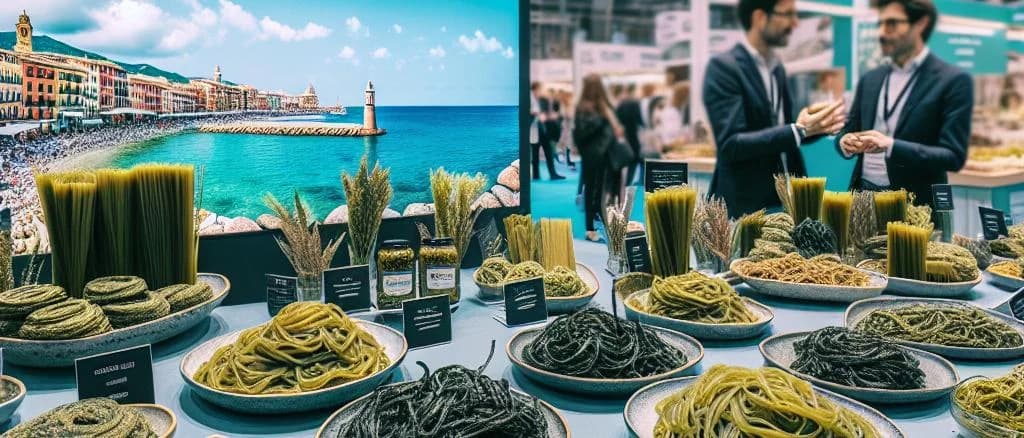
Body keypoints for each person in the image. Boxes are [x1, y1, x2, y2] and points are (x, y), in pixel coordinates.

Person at [703, 0, 846, 218]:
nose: (795, 23)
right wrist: (798, 130)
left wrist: (815, 126)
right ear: (760, 17)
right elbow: (731, 144)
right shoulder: (724, 68)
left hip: (780, 201)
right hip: (743, 208)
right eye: (788, 14)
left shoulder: (776, 68)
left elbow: (783, 132)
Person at [837, 0, 971, 203]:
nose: (881, 33)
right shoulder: (871, 79)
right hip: (862, 199)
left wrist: (891, 146)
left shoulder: (952, 81)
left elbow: (953, 157)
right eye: (880, 24)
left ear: (921, 24)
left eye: (892, 23)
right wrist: (844, 141)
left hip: (914, 204)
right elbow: (848, 129)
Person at [574, 74, 624, 242]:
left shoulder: (595, 106)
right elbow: (583, 133)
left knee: (598, 190)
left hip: (599, 154)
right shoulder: (591, 108)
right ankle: (591, 227)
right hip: (596, 154)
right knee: (594, 190)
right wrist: (602, 121)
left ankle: (596, 224)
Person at [531, 82, 565, 181]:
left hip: (543, 129)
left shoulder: (542, 100)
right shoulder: (531, 99)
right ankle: (536, 175)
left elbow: (545, 114)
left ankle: (552, 174)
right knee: (535, 153)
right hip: (534, 129)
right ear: (536, 89)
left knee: (548, 152)